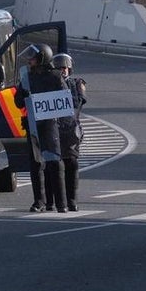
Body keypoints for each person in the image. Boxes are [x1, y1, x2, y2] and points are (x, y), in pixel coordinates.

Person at [15, 43, 68, 213]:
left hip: (50, 123)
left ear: (42, 58)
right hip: (32, 124)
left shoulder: (55, 76)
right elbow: (17, 102)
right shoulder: (27, 78)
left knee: (54, 162)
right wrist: (22, 94)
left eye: (33, 58)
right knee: (36, 164)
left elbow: (65, 99)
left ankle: (61, 203)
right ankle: (40, 201)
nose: (29, 61)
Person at [50, 53, 87, 212]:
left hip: (70, 130)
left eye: (64, 68)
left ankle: (72, 200)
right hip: (52, 130)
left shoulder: (76, 83)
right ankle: (51, 201)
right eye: (59, 68)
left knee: (72, 163)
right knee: (51, 166)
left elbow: (77, 103)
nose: (62, 70)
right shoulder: (48, 84)